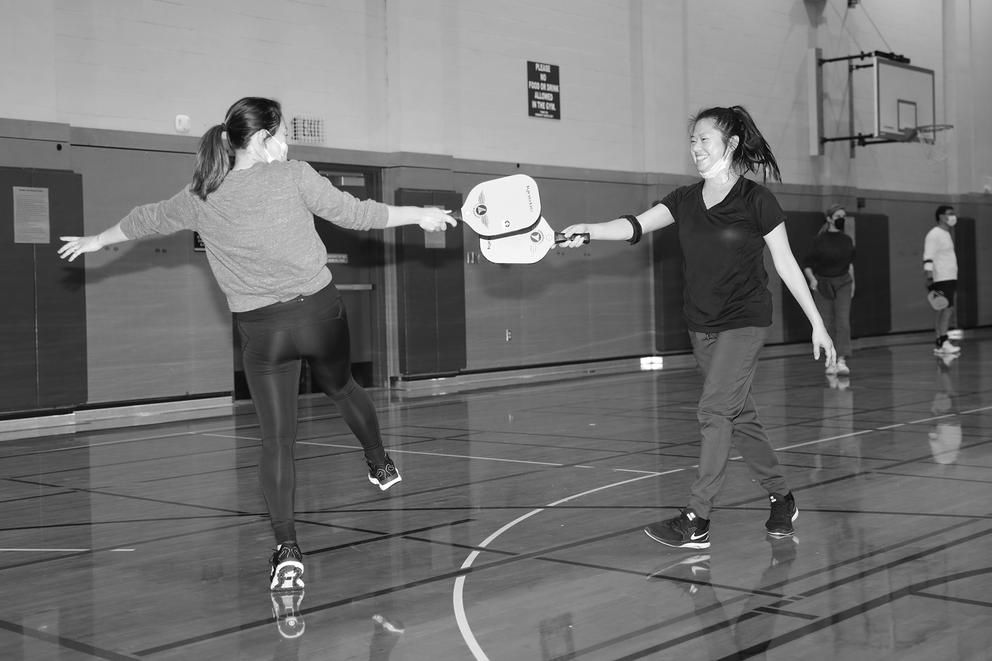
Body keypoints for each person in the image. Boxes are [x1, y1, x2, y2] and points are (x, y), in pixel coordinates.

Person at [57, 97, 456, 591]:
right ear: (265, 138)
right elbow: (358, 214)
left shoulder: (200, 195)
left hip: (263, 333)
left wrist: (95, 241)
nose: (287, 142)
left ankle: (287, 549)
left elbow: (145, 218)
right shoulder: (293, 175)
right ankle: (378, 460)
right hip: (319, 312)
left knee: (277, 441)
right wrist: (421, 214)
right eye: (283, 133)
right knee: (342, 386)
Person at [559, 105, 835, 549]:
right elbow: (636, 225)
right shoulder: (685, 200)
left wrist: (817, 324)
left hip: (744, 321)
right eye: (692, 141)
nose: (695, 149)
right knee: (739, 416)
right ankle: (782, 497)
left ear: (731, 144)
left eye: (704, 140)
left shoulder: (756, 200)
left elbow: (785, 264)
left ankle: (697, 518)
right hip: (700, 326)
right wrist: (588, 230)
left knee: (713, 411)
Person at [803, 204, 855, 376]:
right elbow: (807, 265)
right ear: (829, 219)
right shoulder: (818, 240)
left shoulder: (847, 240)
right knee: (826, 323)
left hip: (843, 283)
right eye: (838, 215)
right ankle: (830, 360)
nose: (842, 219)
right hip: (823, 284)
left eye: (844, 216)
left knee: (843, 322)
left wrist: (853, 283)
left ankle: (841, 360)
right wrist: (813, 281)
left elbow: (850, 265)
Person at [923, 205, 961, 355]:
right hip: (941, 278)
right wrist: (929, 277)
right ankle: (944, 341)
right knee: (946, 309)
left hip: (950, 277)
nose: (952, 216)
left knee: (944, 310)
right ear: (940, 216)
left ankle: (940, 342)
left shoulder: (946, 233)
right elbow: (928, 257)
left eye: (953, 213)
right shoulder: (934, 234)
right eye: (949, 214)